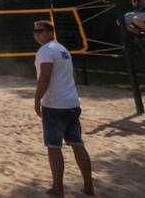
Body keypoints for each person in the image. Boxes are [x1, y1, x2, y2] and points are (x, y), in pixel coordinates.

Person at [33, 20, 94, 197]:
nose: (37, 34)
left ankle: (58, 189)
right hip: (72, 104)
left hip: (54, 105)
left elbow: (44, 77)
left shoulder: (46, 51)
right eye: (35, 31)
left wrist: (37, 100)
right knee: (77, 144)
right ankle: (88, 186)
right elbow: (73, 77)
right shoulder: (63, 50)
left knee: (53, 147)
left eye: (40, 31)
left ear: (51, 31)